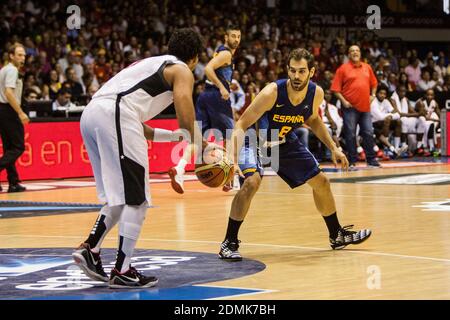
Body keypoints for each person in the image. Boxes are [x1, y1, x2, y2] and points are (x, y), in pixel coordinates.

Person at [72, 28, 204, 288]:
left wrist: (177, 137)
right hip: (115, 114)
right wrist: (200, 145)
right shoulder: (182, 70)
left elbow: (142, 128)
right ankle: (122, 270)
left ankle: (91, 249)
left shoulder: (153, 63)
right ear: (195, 58)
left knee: (119, 195)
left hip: (92, 114)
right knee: (137, 198)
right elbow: (185, 110)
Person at [219, 48, 372, 261]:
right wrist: (232, 160)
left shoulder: (316, 93)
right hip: (254, 139)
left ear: (312, 72)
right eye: (292, 71)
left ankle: (336, 235)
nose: (296, 76)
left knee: (322, 182)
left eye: (301, 71)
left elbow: (313, 119)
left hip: (283, 141)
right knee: (251, 182)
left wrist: (334, 147)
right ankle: (229, 242)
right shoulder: (271, 92)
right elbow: (242, 123)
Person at [169, 25, 241, 194]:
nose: (236, 39)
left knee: (197, 137)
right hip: (216, 96)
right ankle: (231, 179)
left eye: (238, 36)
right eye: (233, 36)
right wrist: (222, 88)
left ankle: (180, 169)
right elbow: (208, 69)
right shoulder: (226, 54)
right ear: (226, 37)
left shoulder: (222, 52)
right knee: (232, 134)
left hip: (204, 97)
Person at [331, 45, 380, 169]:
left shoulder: (367, 67)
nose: (355, 52)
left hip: (365, 107)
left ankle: (371, 161)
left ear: (360, 53)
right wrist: (343, 101)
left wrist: (373, 95)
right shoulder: (342, 69)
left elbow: (374, 83)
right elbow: (335, 89)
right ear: (348, 54)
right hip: (350, 107)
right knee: (351, 134)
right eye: (352, 51)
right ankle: (352, 162)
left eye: (357, 50)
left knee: (368, 133)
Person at [0, 43, 28, 193]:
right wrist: (20, 112)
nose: (23, 58)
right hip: (9, 110)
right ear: (11, 56)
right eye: (19, 55)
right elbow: (9, 93)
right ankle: (13, 181)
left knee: (9, 148)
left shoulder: (3, 70)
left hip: (2, 110)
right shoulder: (11, 70)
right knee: (18, 147)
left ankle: (13, 182)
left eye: (24, 55)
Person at [370, 85, 407, 157]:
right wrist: (389, 115)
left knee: (398, 121)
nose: (382, 95)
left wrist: (389, 115)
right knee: (388, 120)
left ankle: (396, 148)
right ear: (377, 93)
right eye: (381, 93)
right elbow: (379, 117)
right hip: (373, 123)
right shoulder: (373, 102)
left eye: (384, 94)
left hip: (383, 122)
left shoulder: (386, 101)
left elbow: (397, 115)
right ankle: (387, 149)